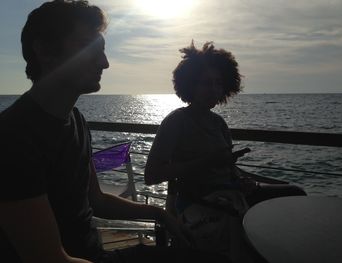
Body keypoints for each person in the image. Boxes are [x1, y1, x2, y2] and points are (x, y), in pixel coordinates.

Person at [0, 2, 232, 263]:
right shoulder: (13, 137)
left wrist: (159, 213)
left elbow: (97, 201)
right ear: (43, 50)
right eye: (89, 49)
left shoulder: (75, 120)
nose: (105, 63)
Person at [144, 41, 306, 262]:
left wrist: (243, 179)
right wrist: (207, 162)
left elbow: (226, 167)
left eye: (218, 83)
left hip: (232, 192)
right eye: (206, 83)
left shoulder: (218, 123)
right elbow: (151, 175)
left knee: (296, 193)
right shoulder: (176, 122)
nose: (214, 89)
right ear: (190, 85)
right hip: (199, 201)